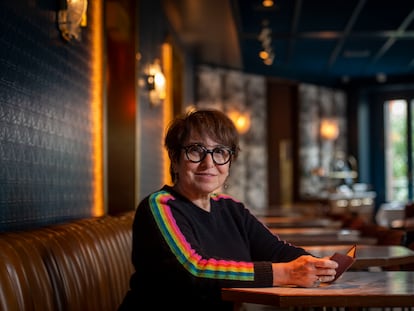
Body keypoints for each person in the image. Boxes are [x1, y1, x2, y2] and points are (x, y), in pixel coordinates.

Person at [118, 109, 338, 311]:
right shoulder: (160, 205)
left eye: (220, 152)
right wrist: (287, 273)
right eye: (196, 150)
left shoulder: (231, 208)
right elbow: (194, 271)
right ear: (175, 160)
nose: (209, 163)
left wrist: (316, 265)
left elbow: (276, 250)